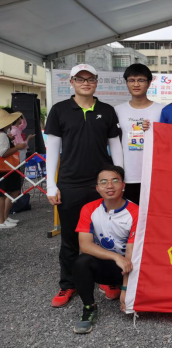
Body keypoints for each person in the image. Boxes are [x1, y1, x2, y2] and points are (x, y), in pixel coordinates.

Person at [45, 64, 124, 308]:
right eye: (80, 79)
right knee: (70, 237)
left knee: (105, 235)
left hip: (101, 184)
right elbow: (52, 150)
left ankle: (107, 280)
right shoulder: (59, 110)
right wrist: (51, 185)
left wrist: (118, 180)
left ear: (97, 82)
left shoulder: (107, 110)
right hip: (70, 183)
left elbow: (116, 146)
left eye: (90, 79)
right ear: (72, 82)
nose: (86, 83)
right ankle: (68, 284)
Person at [72, 166, 137, 334]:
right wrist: (116, 257)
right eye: (103, 182)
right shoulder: (89, 209)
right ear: (97, 188)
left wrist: (126, 290)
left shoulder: (135, 212)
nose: (109, 186)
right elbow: (85, 245)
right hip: (110, 264)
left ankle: (121, 288)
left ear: (123, 185)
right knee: (82, 262)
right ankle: (89, 308)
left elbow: (131, 254)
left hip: (132, 267)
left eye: (115, 181)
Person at [115, 64, 163, 205]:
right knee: (130, 215)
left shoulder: (162, 110)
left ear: (149, 82)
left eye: (141, 80)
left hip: (155, 174)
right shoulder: (118, 110)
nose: (136, 84)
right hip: (128, 175)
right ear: (126, 83)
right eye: (131, 80)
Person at [0, 110, 27, 229]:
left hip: (7, 168)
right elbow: (3, 153)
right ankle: (2, 220)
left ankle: (4, 218)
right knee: (3, 195)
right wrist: (17, 147)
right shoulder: (2, 135)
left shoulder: (3, 134)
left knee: (9, 193)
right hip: (5, 168)